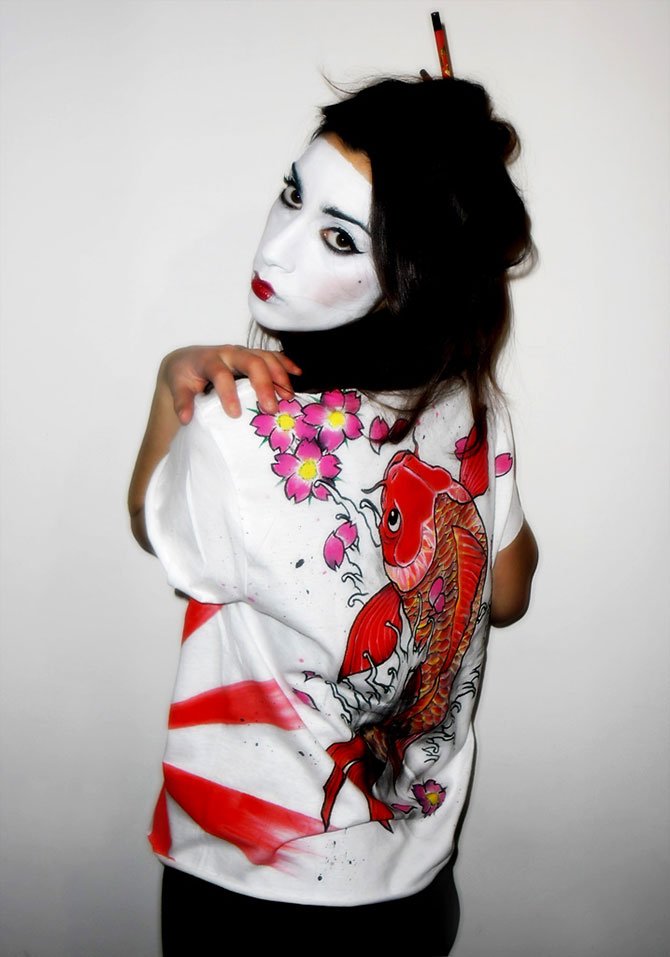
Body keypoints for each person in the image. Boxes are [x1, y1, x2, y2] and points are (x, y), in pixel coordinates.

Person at [129, 75, 538, 956]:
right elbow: (508, 595)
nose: (277, 250)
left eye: (339, 236)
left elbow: (147, 516)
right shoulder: (472, 414)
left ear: (408, 283)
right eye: (292, 194)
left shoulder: (236, 429)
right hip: (413, 889)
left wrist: (172, 385)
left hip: (251, 891)